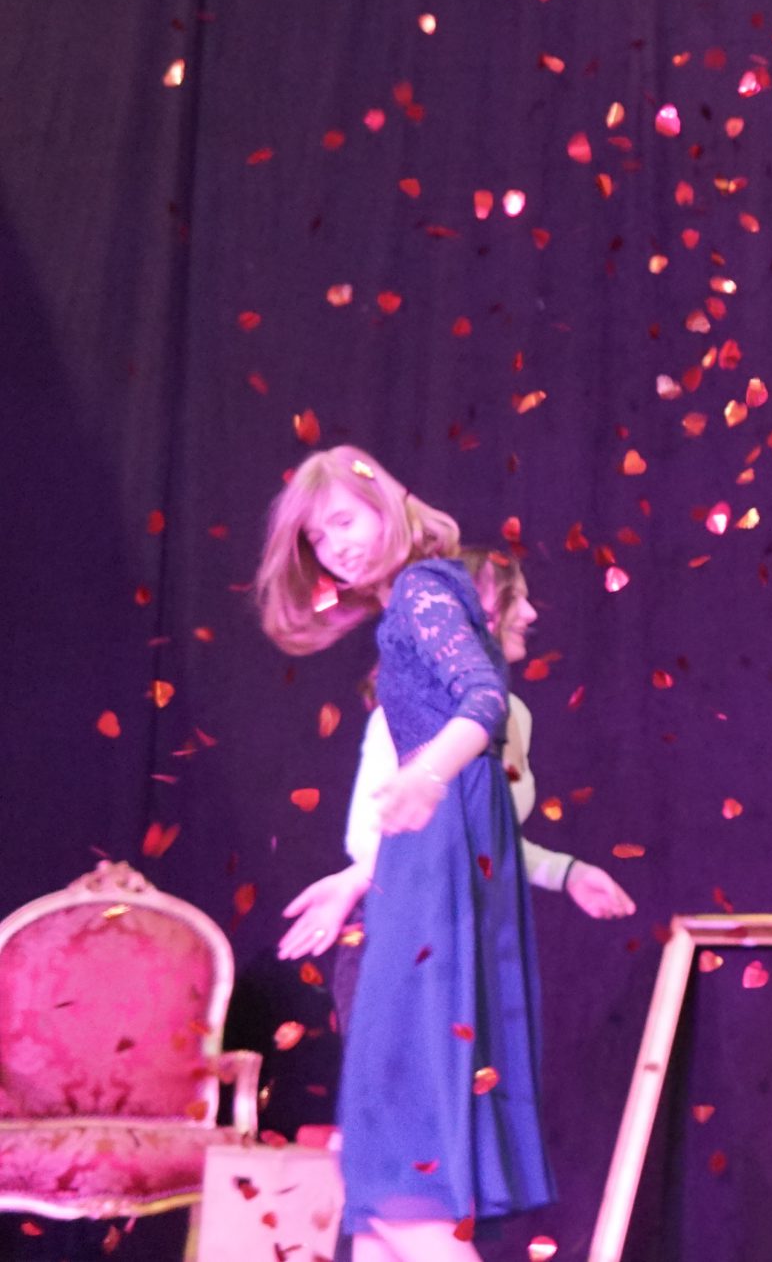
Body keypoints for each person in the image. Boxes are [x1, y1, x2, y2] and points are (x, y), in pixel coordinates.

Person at [255, 447, 552, 1262]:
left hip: (438, 854)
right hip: (420, 858)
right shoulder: (412, 600)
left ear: (385, 503)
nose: (336, 547)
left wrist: (426, 774)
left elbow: (484, 700)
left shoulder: (422, 589)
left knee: (399, 1162)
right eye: (319, 539)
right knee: (381, 1186)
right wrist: (359, 877)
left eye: (344, 522)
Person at [278, 548, 635, 1020]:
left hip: (471, 933)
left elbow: (486, 838)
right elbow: (371, 837)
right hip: (401, 934)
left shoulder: (514, 715)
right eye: (513, 597)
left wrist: (567, 873)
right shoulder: (404, 717)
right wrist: (353, 882)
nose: (530, 613)